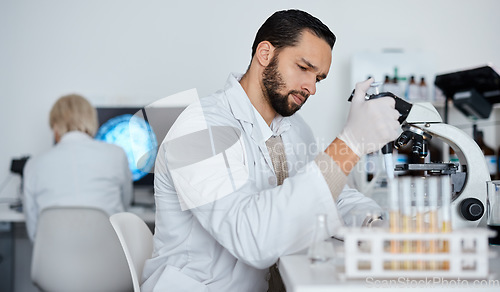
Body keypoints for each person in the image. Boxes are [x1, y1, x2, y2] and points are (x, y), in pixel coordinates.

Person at [141, 9, 400, 291]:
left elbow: (333, 194)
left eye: (319, 78)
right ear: (265, 54)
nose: (311, 88)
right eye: (304, 68)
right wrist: (351, 143)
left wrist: (373, 223)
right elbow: (252, 238)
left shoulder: (295, 128)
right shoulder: (199, 128)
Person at [23, 94, 133, 242]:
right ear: (92, 120)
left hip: (52, 261)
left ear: (55, 125)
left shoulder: (34, 164)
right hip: (108, 259)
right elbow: (125, 203)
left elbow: (34, 232)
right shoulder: (117, 154)